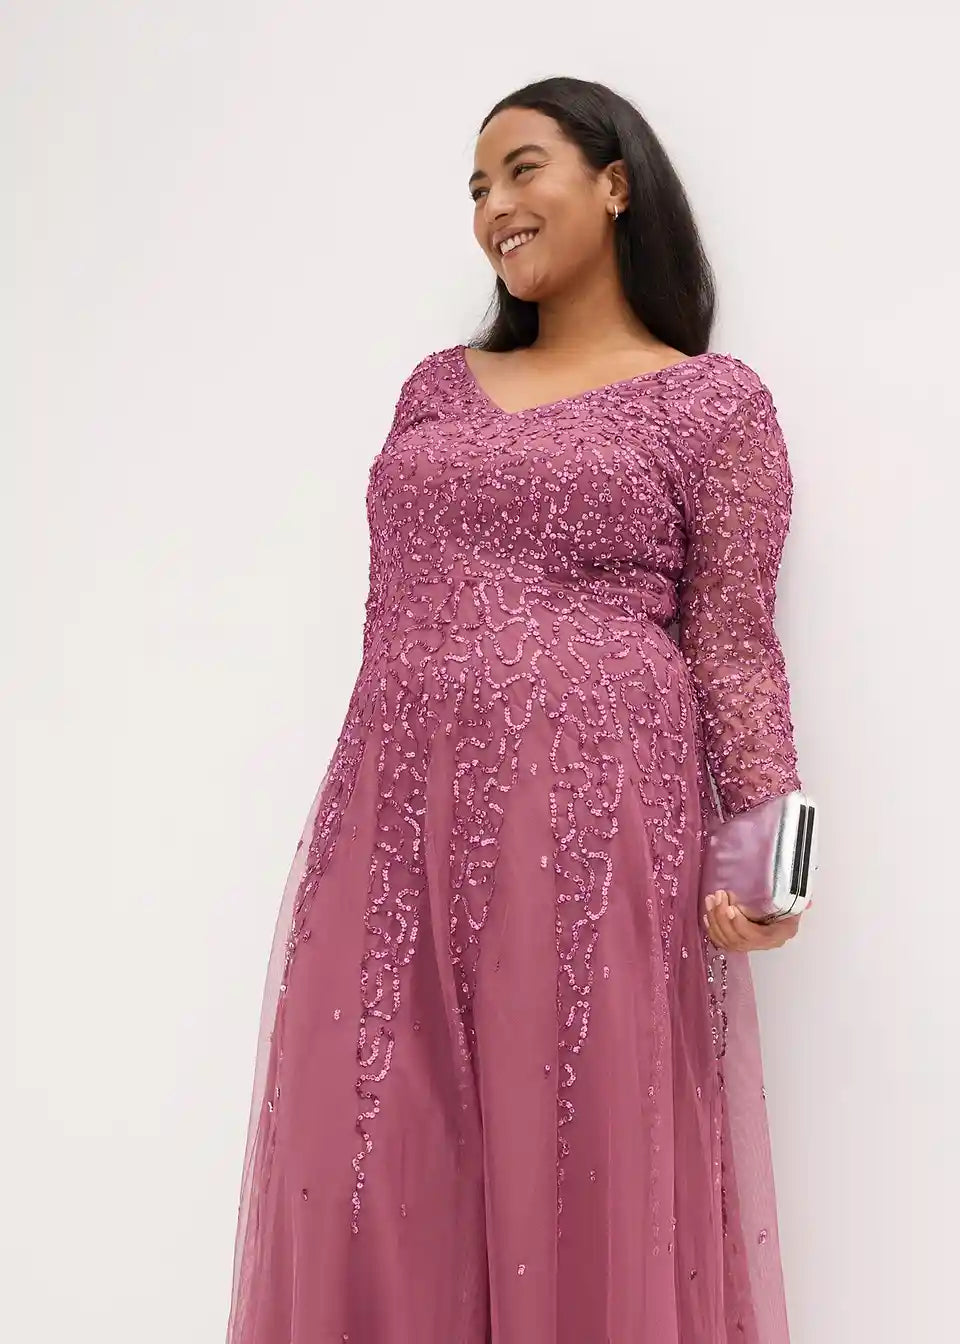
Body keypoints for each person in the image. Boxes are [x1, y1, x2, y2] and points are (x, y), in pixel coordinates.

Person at [225, 75, 811, 1344]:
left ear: (616, 182)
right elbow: (392, 624)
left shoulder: (714, 404)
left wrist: (770, 860)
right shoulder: (435, 389)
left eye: (522, 168)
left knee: (579, 1159)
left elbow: (734, 641)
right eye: (478, 188)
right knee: (372, 1163)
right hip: (394, 827)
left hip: (596, 829)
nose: (495, 205)